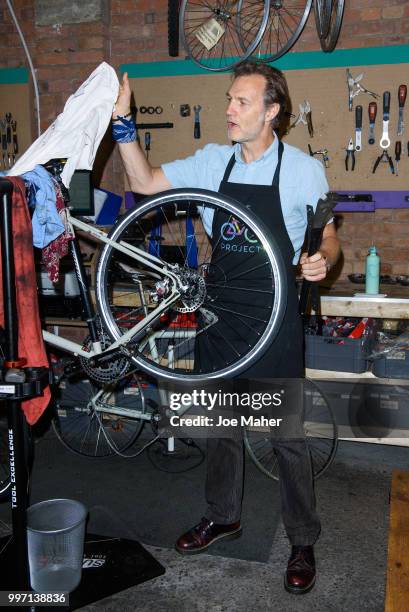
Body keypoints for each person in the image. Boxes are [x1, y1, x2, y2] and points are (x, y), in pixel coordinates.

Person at [112, 60, 341, 595]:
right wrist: (124, 124)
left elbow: (328, 238)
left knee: (286, 438)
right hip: (221, 316)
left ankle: (302, 539)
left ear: (272, 111)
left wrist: (322, 261)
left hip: (274, 320)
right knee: (219, 427)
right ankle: (223, 515)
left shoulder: (302, 169)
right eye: (229, 100)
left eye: (242, 102)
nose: (229, 110)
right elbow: (144, 182)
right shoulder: (214, 161)